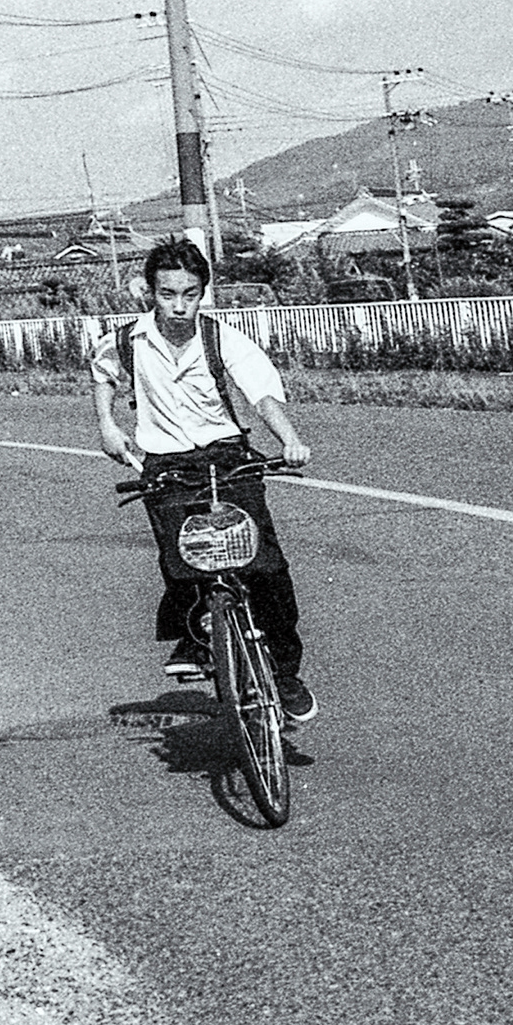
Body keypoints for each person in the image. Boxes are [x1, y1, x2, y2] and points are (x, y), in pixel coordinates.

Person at [89, 237, 316, 723]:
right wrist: (108, 425)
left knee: (265, 566)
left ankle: (285, 675)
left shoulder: (221, 338)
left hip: (226, 454)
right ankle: (196, 640)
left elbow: (261, 393)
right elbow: (103, 374)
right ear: (149, 291)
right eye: (168, 294)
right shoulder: (127, 341)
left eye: (190, 294)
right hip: (166, 462)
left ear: (203, 293)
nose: (179, 305)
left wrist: (290, 439)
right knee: (183, 561)